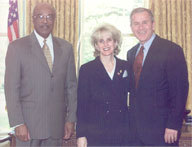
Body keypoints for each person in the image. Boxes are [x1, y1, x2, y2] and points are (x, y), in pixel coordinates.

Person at [5, 2, 77, 146]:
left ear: (54, 20)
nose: (45, 21)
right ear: (33, 19)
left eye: (49, 17)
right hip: (27, 128)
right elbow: (11, 89)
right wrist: (18, 122)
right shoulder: (17, 47)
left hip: (56, 127)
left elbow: (71, 87)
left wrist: (70, 119)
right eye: (40, 16)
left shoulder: (66, 48)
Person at [127, 7, 189, 146]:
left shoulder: (171, 50)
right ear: (131, 27)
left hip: (163, 131)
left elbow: (180, 91)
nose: (140, 27)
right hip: (136, 133)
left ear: (153, 25)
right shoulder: (131, 53)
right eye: (136, 23)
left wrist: (173, 125)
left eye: (145, 22)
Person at [76, 24, 129, 146]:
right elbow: (82, 104)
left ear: (115, 43)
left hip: (122, 132)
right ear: (96, 45)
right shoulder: (86, 70)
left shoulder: (125, 66)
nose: (106, 44)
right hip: (96, 133)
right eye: (101, 41)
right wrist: (81, 134)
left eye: (109, 40)